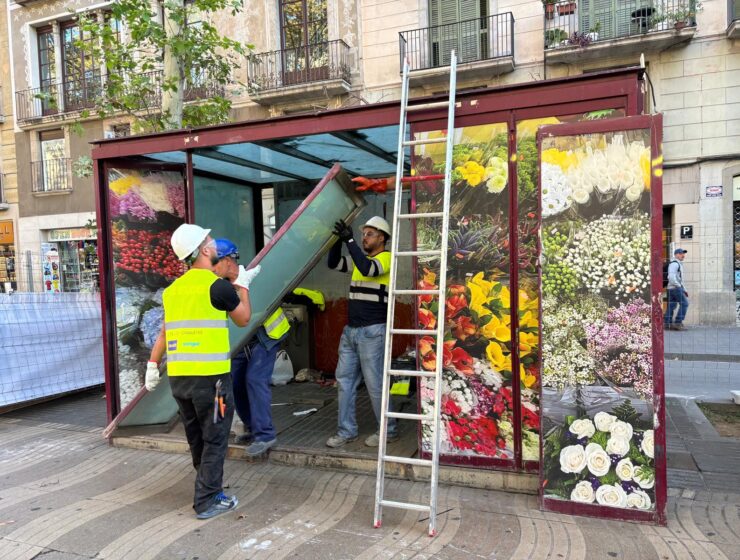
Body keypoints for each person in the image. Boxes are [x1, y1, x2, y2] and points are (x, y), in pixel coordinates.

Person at [145, 224, 260, 519]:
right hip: (213, 381)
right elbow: (244, 319)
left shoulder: (173, 291)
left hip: (180, 379)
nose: (213, 243)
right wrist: (243, 285)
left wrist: (151, 365)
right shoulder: (217, 287)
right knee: (216, 436)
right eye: (209, 240)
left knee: (197, 437)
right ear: (205, 250)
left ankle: (208, 486)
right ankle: (208, 500)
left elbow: (163, 333)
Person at [212, 238, 290, 457]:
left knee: (254, 379)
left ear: (227, 260)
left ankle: (265, 435)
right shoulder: (222, 286)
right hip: (244, 340)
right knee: (236, 383)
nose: (211, 267)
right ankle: (252, 427)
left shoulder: (254, 274)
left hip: (267, 336)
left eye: (214, 261)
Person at [325, 216, 398, 448]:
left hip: (373, 332)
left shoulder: (387, 258)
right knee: (344, 382)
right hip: (352, 331)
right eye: (363, 233)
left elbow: (368, 269)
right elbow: (333, 263)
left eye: (369, 234)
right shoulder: (360, 258)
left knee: (375, 383)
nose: (364, 237)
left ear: (382, 238)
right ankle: (346, 431)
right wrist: (337, 240)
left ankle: (388, 430)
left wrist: (349, 240)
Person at [664, 248, 689, 331]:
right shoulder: (675, 264)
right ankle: (678, 323)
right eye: (681, 253)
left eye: (683, 254)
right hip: (675, 288)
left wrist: (684, 289)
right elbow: (671, 277)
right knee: (685, 303)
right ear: (676, 254)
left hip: (672, 288)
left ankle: (667, 324)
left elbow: (679, 278)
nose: (683, 255)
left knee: (671, 306)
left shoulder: (678, 264)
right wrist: (678, 286)